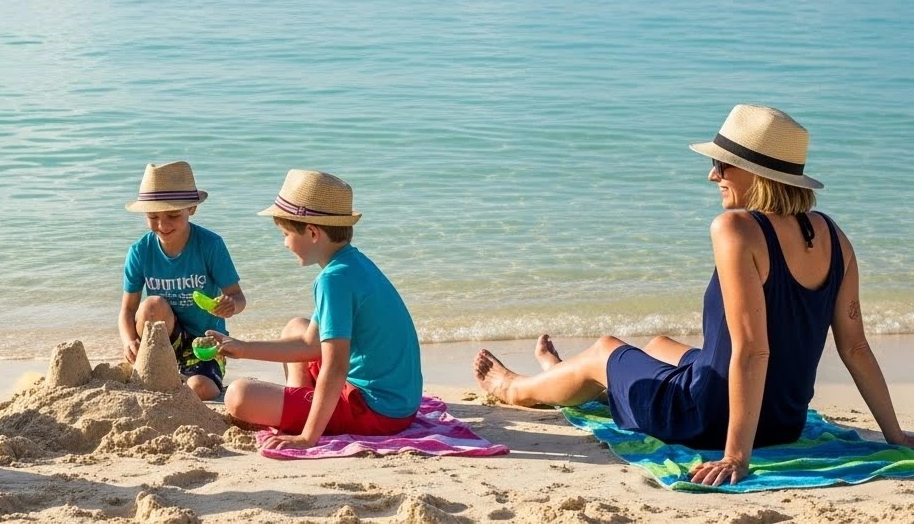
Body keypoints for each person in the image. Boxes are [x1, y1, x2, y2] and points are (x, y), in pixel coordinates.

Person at [473, 105, 914, 486]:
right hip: (783, 420)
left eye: (724, 166)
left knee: (605, 349)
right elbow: (855, 346)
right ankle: (574, 378)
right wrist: (893, 434)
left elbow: (753, 351)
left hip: (707, 420)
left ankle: (518, 386)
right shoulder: (836, 238)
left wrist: (736, 456)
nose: (713, 175)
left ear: (758, 174)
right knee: (660, 346)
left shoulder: (737, 228)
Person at [210, 170, 422, 450]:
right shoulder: (352, 263)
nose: (284, 243)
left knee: (239, 396)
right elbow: (310, 344)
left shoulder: (333, 280)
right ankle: (299, 401)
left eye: (286, 234)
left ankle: (301, 414)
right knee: (296, 326)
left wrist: (307, 437)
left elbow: (335, 367)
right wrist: (242, 347)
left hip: (376, 410)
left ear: (312, 232)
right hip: (398, 402)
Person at [119, 161, 246, 400]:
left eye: (174, 215)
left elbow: (238, 297)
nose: (163, 225)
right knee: (152, 305)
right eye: (153, 216)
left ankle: (179, 378)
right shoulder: (140, 251)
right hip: (164, 338)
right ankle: (159, 367)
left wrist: (231, 305)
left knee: (201, 389)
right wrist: (129, 341)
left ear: (192, 209)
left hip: (206, 340)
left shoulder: (210, 245)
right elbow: (127, 311)